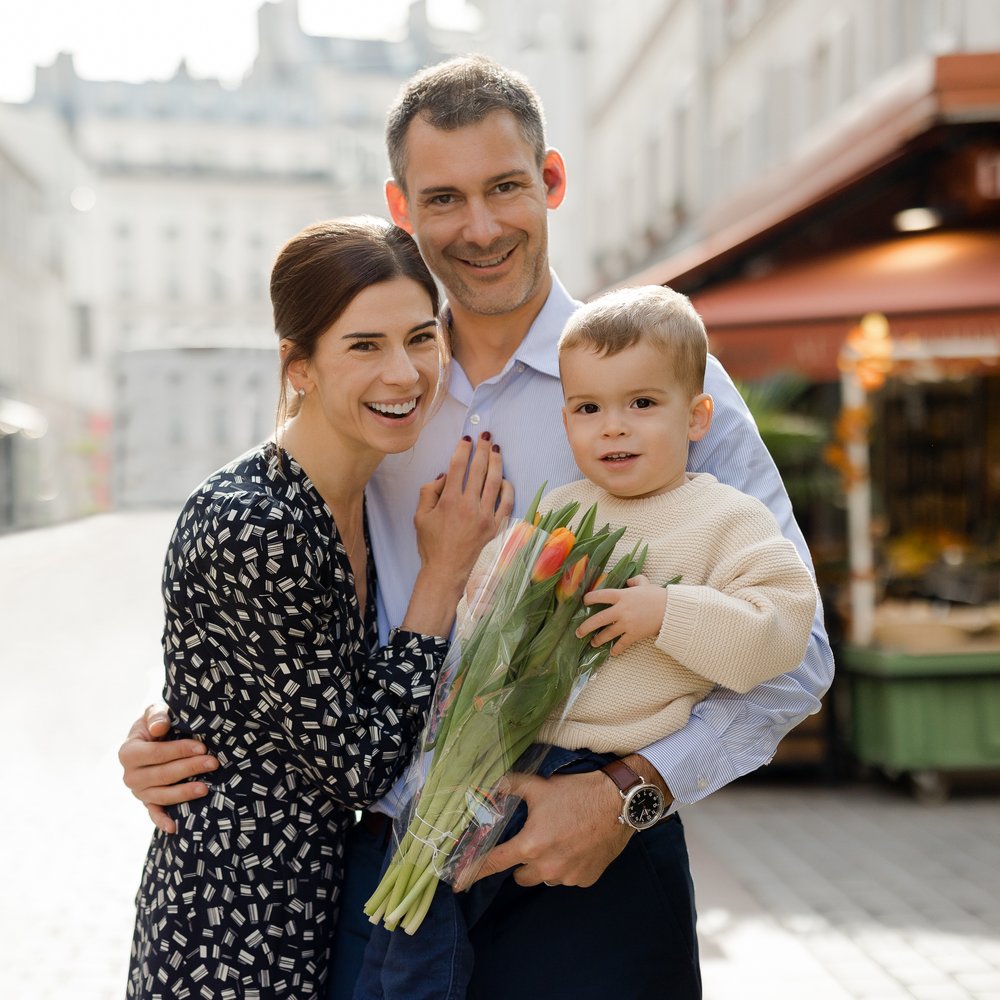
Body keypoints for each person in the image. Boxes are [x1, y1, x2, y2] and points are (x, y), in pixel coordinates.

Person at [119, 56, 835, 999]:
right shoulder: (380, 385)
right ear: (401, 206)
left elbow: (799, 653)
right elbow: (270, 575)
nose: (482, 227)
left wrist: (629, 793)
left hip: (594, 863)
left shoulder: (661, 385)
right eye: (444, 198)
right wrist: (187, 738)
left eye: (506, 187)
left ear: (552, 181)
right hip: (380, 864)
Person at [355, 284, 820, 1000]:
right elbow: (492, 612)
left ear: (699, 416)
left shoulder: (727, 519)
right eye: (588, 409)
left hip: (602, 773)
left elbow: (786, 633)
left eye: (641, 405)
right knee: (423, 905)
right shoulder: (566, 508)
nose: (613, 429)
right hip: (502, 752)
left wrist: (667, 613)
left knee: (456, 895)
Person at [126, 216, 513, 1000]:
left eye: (419, 338)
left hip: (331, 918)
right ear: (298, 366)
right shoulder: (254, 522)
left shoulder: (364, 494)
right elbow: (358, 764)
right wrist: (443, 576)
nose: (404, 374)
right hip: (234, 935)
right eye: (364, 346)